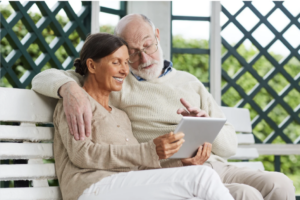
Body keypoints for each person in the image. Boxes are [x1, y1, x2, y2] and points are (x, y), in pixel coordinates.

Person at [33, 14, 295, 200]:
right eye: (132, 53)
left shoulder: (190, 82)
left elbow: (230, 146)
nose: (143, 58)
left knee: (280, 183)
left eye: (147, 45)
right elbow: (46, 77)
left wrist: (205, 127)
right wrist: (68, 89)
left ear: (157, 36)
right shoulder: (116, 82)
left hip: (211, 164)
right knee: (245, 195)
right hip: (169, 170)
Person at [53, 32, 233, 200]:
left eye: (126, 62)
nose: (124, 70)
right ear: (92, 65)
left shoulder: (121, 115)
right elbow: (82, 153)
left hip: (125, 187)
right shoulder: (73, 105)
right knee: (203, 177)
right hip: (91, 188)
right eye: (116, 62)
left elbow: (139, 167)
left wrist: (183, 163)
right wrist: (148, 150)